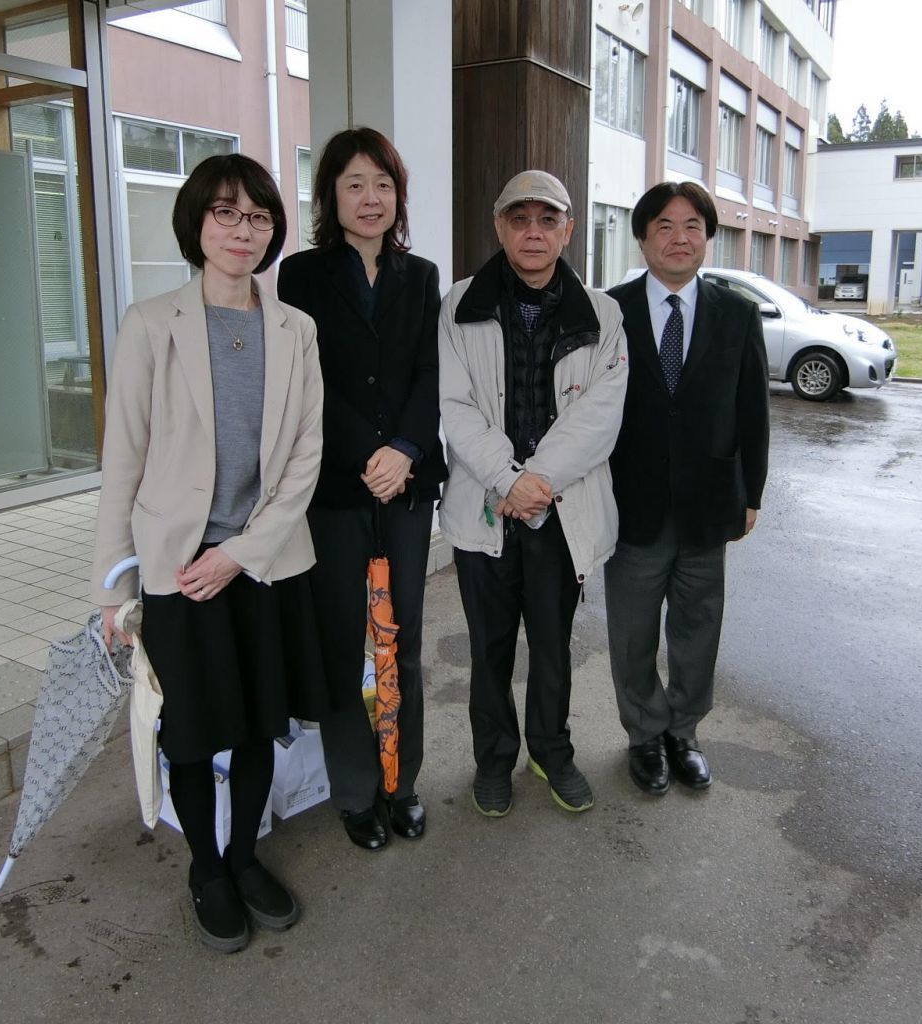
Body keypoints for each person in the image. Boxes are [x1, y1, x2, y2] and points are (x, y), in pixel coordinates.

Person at [93, 154, 341, 954]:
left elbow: (305, 457)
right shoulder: (151, 323)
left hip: (264, 564)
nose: (243, 230)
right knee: (194, 732)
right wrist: (113, 588)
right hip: (177, 566)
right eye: (226, 213)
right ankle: (206, 867)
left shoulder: (295, 330)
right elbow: (123, 460)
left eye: (259, 216)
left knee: (261, 722)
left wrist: (241, 552)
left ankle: (245, 857)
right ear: (197, 223)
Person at [276, 127, 445, 852]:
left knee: (401, 640)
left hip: (405, 487)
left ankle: (401, 782)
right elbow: (304, 380)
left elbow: (431, 374)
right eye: (354, 184)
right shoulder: (300, 275)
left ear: (397, 195)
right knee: (344, 642)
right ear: (331, 197)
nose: (370, 197)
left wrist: (405, 449)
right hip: (335, 489)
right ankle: (353, 792)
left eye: (382, 184)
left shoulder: (422, 276)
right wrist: (367, 451)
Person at [438, 169, 627, 817]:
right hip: (486, 507)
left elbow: (599, 416)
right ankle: (493, 760)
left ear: (568, 230)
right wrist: (509, 480)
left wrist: (535, 483)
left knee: (552, 646)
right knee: (489, 649)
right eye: (519, 219)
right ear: (499, 227)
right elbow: (456, 405)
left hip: (558, 510)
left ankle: (551, 750)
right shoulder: (460, 305)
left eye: (548, 220)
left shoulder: (602, 315)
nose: (533, 232)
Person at [604, 181, 769, 796]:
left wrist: (751, 493)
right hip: (632, 504)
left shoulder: (737, 313)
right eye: (665, 226)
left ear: (707, 238)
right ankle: (644, 735)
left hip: (709, 502)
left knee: (699, 628)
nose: (680, 238)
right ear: (643, 238)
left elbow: (753, 411)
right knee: (633, 631)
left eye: (692, 225)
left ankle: (684, 732)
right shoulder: (609, 311)